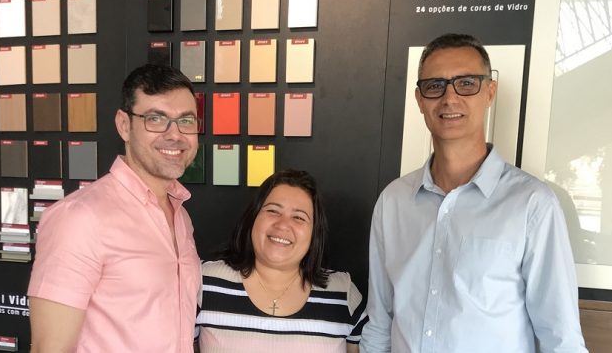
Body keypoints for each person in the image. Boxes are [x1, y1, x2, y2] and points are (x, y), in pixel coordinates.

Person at [361, 34, 587, 353]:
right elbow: (380, 322)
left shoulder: (532, 204)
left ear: (490, 92)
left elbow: (560, 338)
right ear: (419, 99)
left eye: (466, 83)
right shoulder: (393, 202)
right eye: (435, 85)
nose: (449, 98)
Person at [28, 64, 201, 352]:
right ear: (124, 125)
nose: (175, 134)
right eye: (155, 119)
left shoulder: (180, 214)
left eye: (186, 120)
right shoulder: (80, 218)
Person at [196, 170, 367, 353]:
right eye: (273, 211)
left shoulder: (343, 293)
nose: (283, 224)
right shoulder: (203, 283)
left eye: (299, 217)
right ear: (253, 219)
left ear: (314, 234)